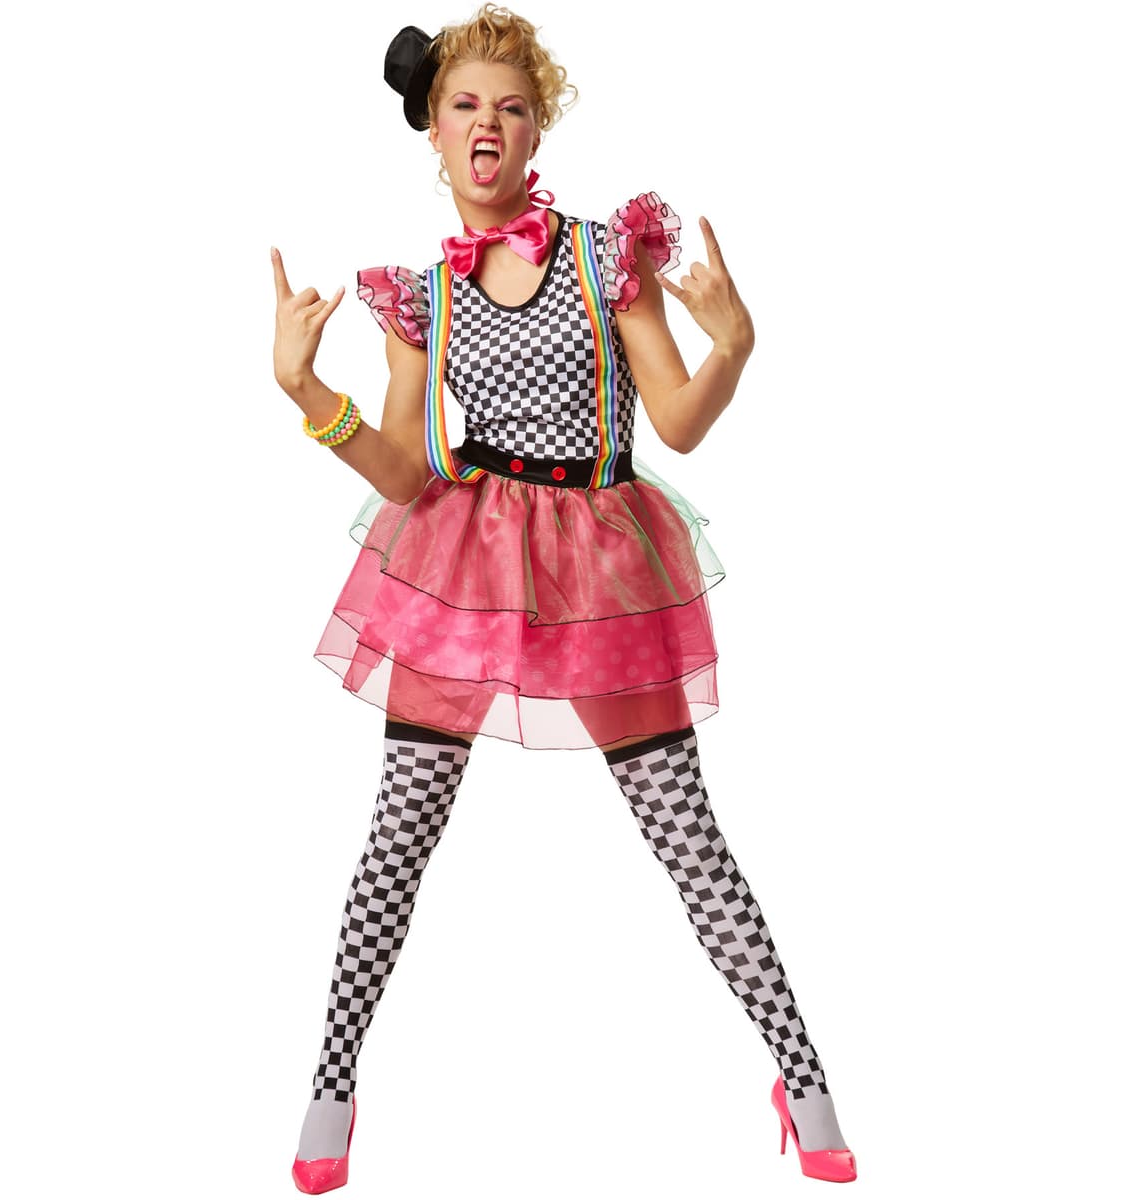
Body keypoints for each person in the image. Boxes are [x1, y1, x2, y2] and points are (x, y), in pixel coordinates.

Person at [270, 6, 856, 1190]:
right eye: (465, 104)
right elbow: (405, 471)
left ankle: (804, 1081)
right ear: (434, 131)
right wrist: (305, 393)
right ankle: (332, 1084)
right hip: (466, 565)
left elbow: (676, 418)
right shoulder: (423, 297)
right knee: (398, 835)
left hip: (599, 571)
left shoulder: (606, 257)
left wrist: (734, 348)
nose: (487, 122)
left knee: (687, 836)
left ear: (537, 131)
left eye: (512, 105)